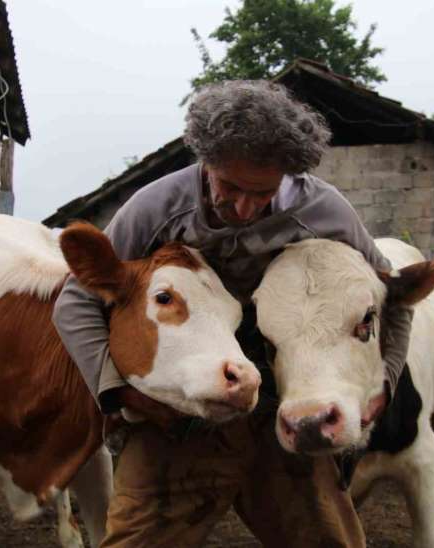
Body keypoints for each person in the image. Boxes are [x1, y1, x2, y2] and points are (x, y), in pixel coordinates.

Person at [53, 80, 413, 547]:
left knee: (327, 539)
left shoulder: (325, 211)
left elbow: (395, 296)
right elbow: (76, 301)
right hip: (177, 413)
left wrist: (385, 379)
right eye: (230, 187)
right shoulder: (156, 208)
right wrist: (120, 393)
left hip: (281, 406)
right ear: (205, 160)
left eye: (262, 193)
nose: (244, 208)